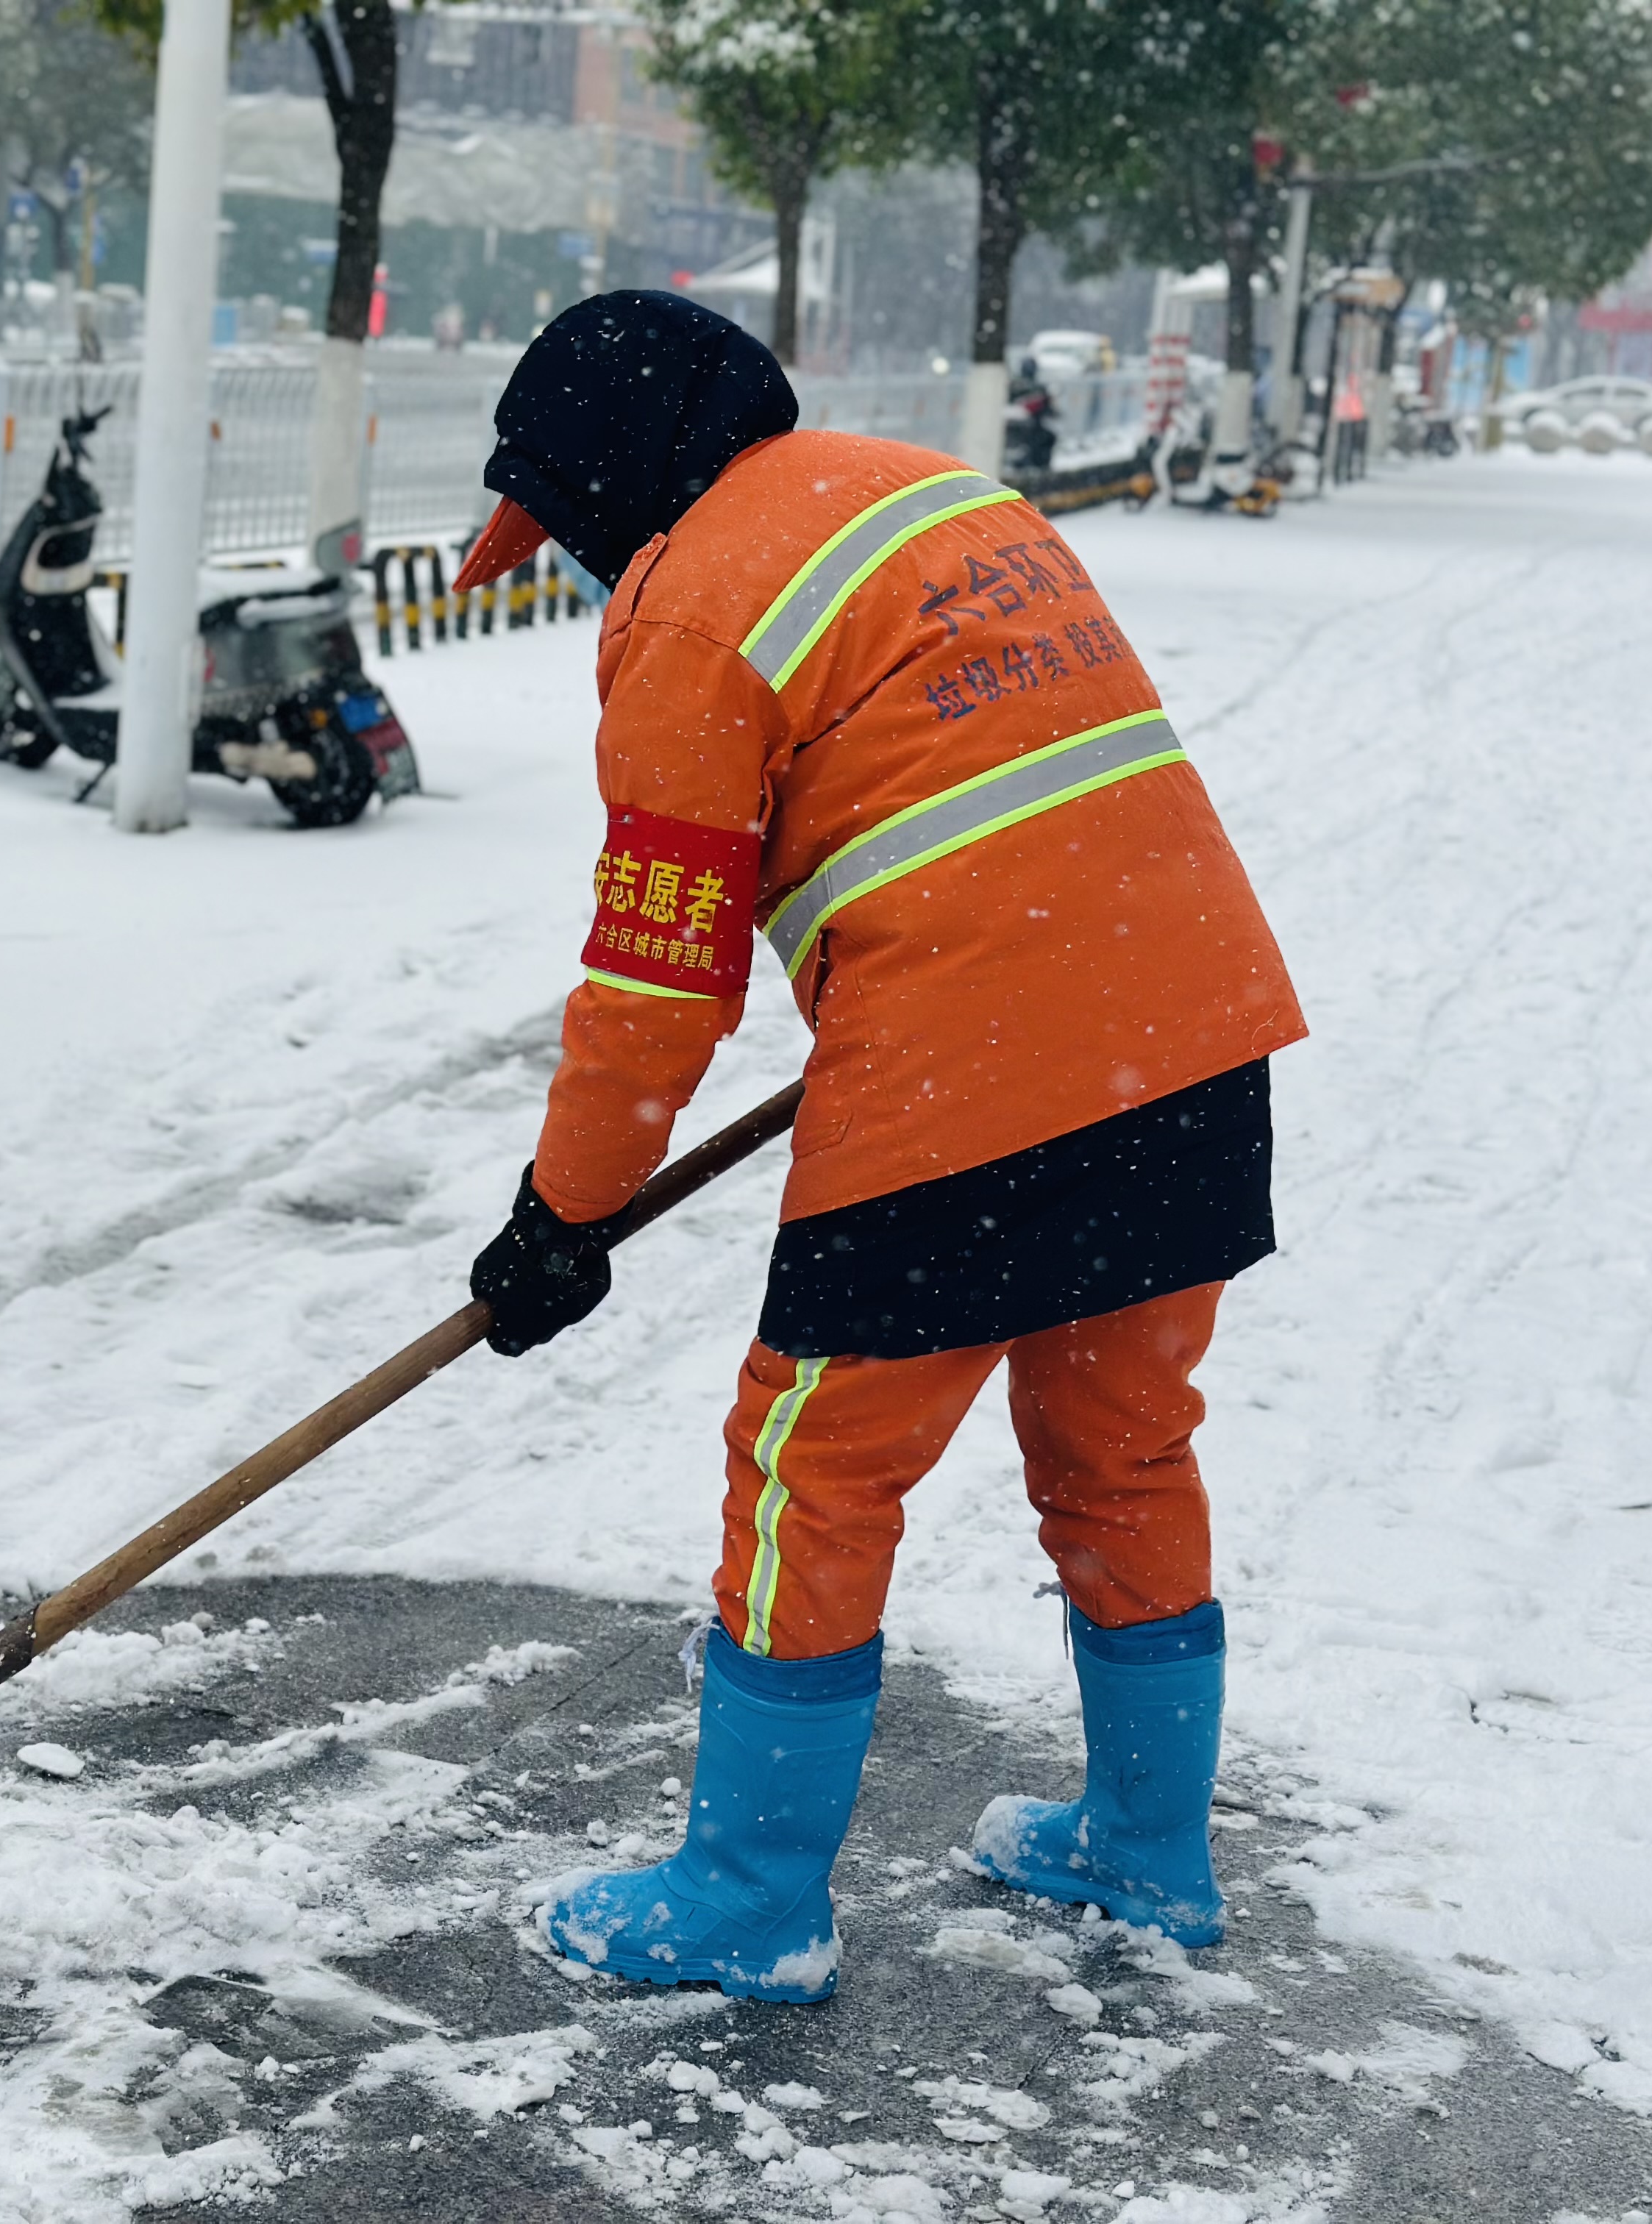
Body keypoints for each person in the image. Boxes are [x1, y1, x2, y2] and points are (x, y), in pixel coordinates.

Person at [456, 292, 1306, 2003]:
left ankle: (749, 1897)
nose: (574, 572)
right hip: (1191, 1042)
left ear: (620, 487)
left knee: (811, 1468)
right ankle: (1150, 1856)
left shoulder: (695, 613)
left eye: (566, 532)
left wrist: (562, 1213)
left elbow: (652, 980)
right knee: (1125, 1445)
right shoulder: (937, 498)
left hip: (968, 1078)